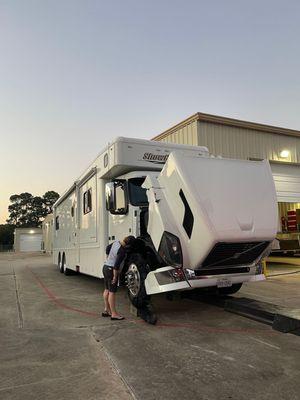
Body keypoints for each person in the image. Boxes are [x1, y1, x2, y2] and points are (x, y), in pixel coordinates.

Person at [102, 235, 135, 320]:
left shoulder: (116, 242)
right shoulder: (122, 251)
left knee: (107, 289)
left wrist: (108, 258)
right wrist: (115, 277)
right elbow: (116, 266)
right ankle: (114, 314)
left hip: (105, 267)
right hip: (111, 270)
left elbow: (107, 248)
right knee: (112, 292)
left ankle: (106, 310)